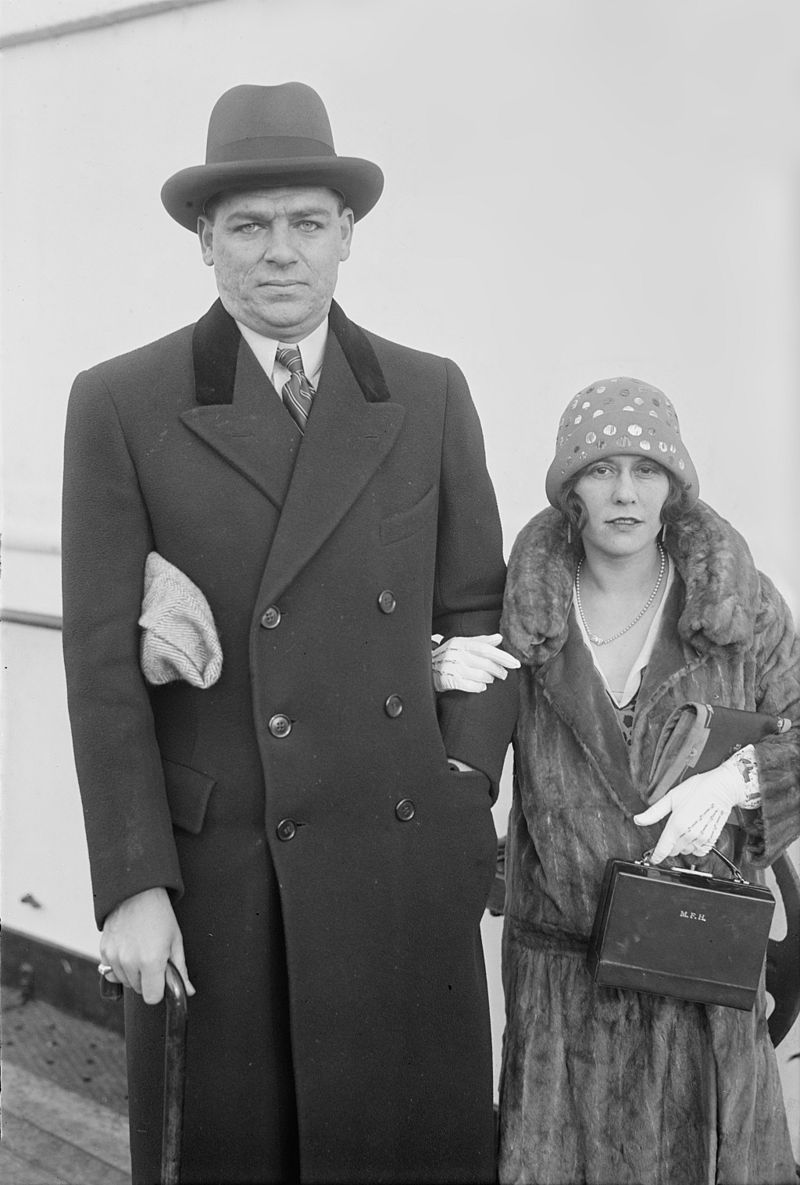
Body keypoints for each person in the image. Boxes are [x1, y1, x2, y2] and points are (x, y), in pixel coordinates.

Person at [61, 82, 518, 1185]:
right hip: (225, 872)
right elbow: (101, 673)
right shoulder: (121, 401)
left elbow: (478, 613)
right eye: (249, 226)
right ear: (203, 245)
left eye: (306, 223)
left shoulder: (425, 391)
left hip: (401, 857)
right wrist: (131, 885)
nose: (280, 253)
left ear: (346, 236)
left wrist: (461, 787)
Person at [444, 378, 799, 1184]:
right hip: (564, 990)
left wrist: (746, 777)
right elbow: (452, 765)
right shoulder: (521, 615)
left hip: (701, 977)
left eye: (648, 468)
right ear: (571, 488)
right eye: (603, 469)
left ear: (675, 485)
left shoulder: (738, 609)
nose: (627, 491)